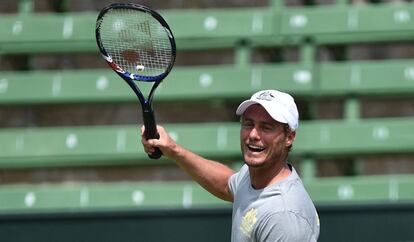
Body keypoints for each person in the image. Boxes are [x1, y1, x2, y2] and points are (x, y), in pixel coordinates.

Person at [141, 89, 320, 242]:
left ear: (289, 137)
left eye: (266, 127)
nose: (253, 135)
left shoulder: (284, 217)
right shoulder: (255, 176)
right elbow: (227, 185)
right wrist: (173, 150)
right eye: (248, 124)